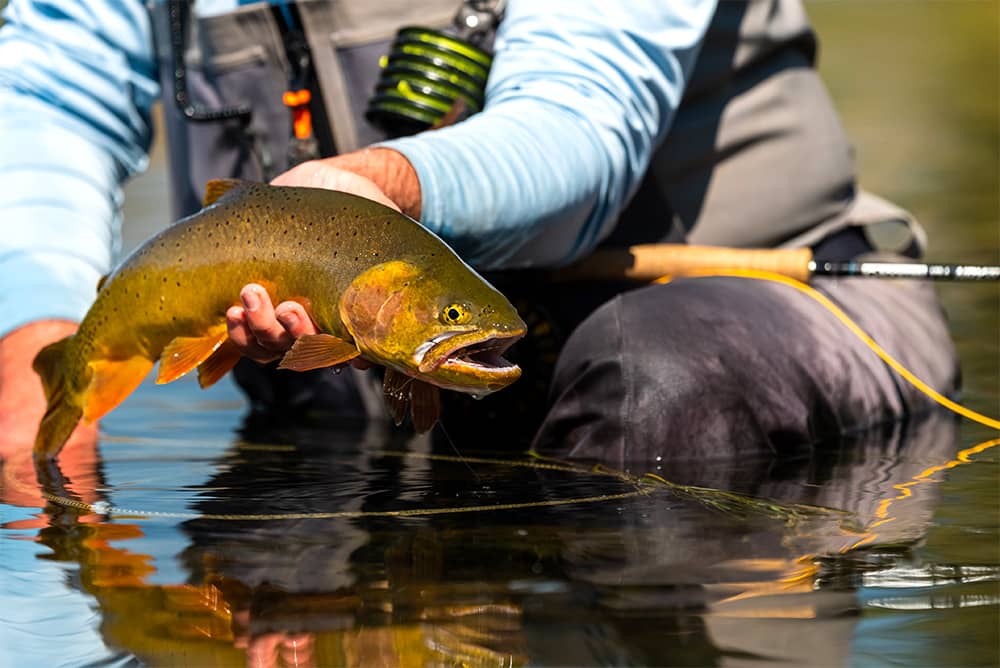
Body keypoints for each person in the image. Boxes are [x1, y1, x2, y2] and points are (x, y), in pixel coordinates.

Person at [0, 0, 959, 467]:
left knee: (648, 386)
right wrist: (36, 328)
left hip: (784, 310)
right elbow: (53, 93)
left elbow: (581, 120)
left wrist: (379, 184)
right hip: (370, 383)